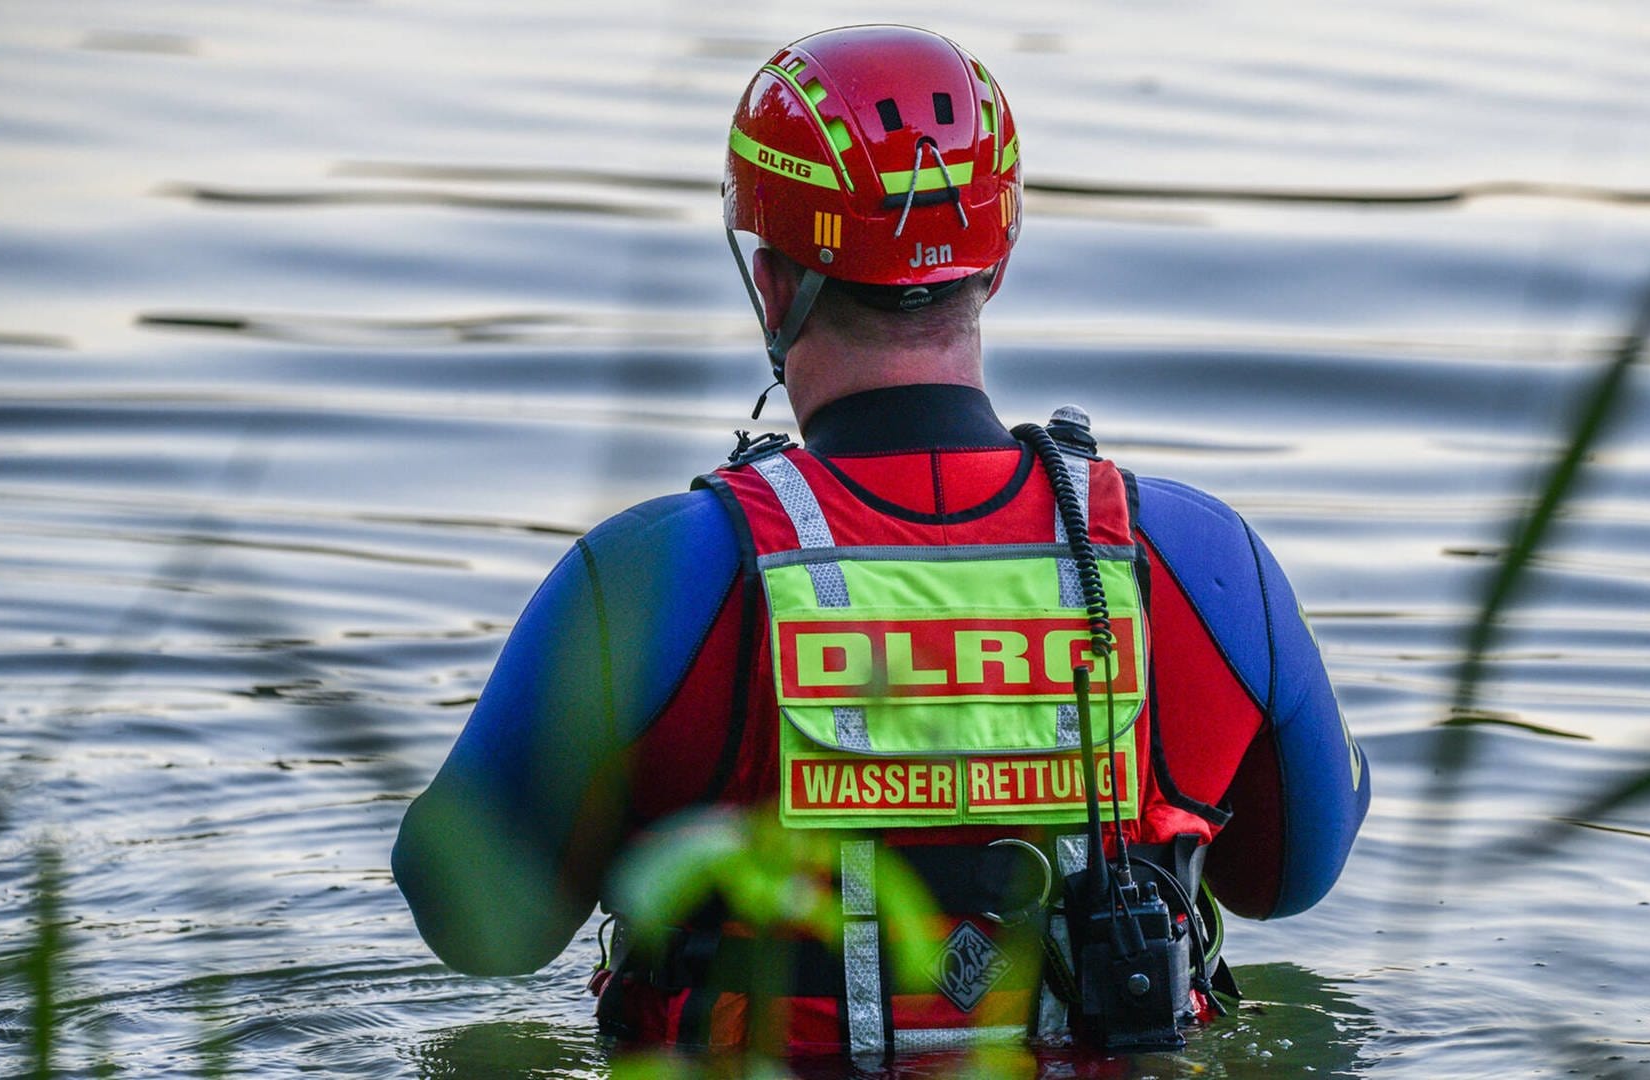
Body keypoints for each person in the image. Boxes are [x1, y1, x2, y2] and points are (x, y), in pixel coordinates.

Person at [393, 23, 1368, 1058]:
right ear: (995, 263)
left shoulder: (648, 578)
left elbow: (474, 930)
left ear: (771, 279)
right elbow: (1289, 878)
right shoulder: (1203, 562)